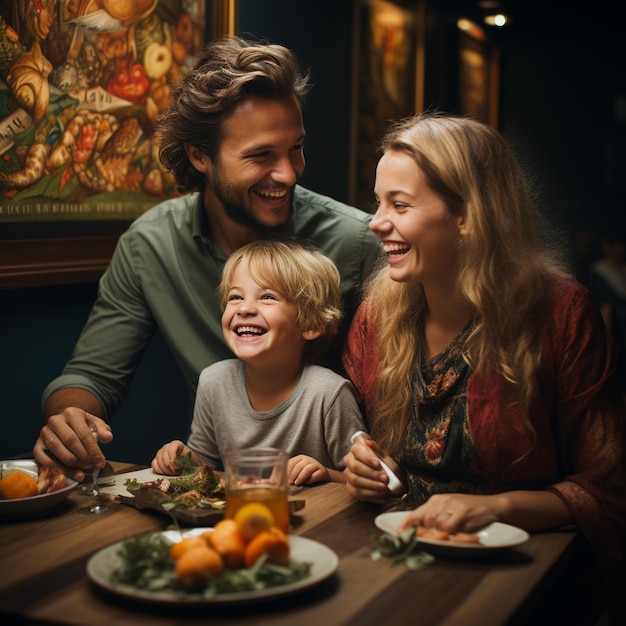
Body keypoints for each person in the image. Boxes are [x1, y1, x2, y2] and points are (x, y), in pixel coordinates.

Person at [34, 36, 381, 482]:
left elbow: (403, 401)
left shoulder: (356, 243)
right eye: (261, 155)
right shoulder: (150, 244)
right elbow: (92, 375)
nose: (290, 172)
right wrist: (69, 421)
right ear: (200, 155)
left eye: (295, 147)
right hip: (217, 499)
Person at [341, 113, 626, 594]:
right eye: (377, 202)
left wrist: (499, 506)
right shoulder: (377, 317)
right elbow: (379, 452)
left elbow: (609, 487)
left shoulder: (560, 312)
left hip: (520, 573)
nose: (375, 222)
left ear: (468, 216)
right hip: (400, 555)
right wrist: (366, 465)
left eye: (400, 204)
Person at [152, 240, 366, 485]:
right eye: (235, 297)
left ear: (311, 324)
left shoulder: (329, 393)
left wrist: (327, 474)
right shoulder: (213, 381)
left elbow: (364, 480)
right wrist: (181, 459)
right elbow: (205, 465)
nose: (244, 308)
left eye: (267, 296)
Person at [585, 228, 626, 394]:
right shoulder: (598, 273)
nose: (615, 250)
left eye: (618, 245)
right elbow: (605, 309)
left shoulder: (622, 269)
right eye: (610, 245)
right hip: (616, 337)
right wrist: (607, 343)